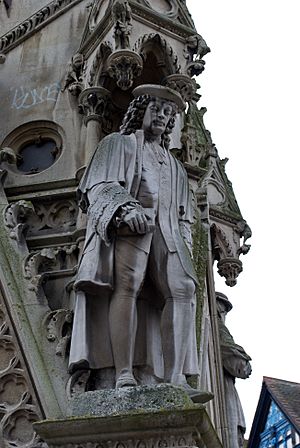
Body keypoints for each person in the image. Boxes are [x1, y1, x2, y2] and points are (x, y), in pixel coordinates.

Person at [69, 84, 201, 399]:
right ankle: (124, 372)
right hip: (133, 227)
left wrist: (183, 239)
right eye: (155, 109)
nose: (161, 116)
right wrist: (125, 209)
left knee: (184, 288)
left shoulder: (176, 167)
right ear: (141, 110)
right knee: (126, 285)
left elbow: (184, 213)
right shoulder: (119, 144)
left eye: (168, 113)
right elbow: (99, 184)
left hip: (167, 234)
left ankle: (175, 377)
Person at [216, 292, 252, 448]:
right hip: (221, 392)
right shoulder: (216, 325)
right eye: (223, 309)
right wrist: (246, 363)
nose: (224, 313)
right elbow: (239, 366)